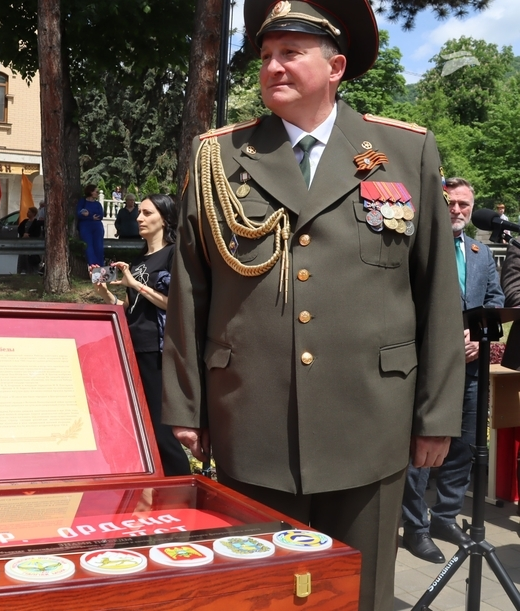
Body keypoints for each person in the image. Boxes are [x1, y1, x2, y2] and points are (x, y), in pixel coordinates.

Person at [161, 2, 465, 610]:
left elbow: (436, 290)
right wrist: (186, 404)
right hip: (253, 419)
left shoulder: (404, 151)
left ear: (336, 67)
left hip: (370, 420)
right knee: (261, 593)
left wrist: (436, 415)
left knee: (361, 593)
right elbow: (190, 286)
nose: (273, 66)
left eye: (291, 53)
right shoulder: (219, 156)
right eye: (266, 55)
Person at [401, 177, 504, 563]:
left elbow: (495, 300)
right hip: (430, 368)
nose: (457, 210)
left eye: (464, 204)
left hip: (472, 368)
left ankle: (445, 516)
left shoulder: (480, 252)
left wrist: (479, 337)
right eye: (451, 203)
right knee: (423, 448)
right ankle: (415, 526)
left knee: (464, 446)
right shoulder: (420, 247)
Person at [94, 194, 191, 477]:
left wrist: (136, 284)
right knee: (138, 425)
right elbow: (129, 307)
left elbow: (175, 305)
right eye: (139, 213)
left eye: (147, 213)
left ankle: (182, 486)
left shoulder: (173, 254)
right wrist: (106, 294)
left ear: (165, 218)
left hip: (156, 349)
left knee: (161, 432)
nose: (139, 218)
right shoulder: (138, 260)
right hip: (132, 346)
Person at [77, 184, 105, 267]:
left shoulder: (98, 204)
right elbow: (79, 213)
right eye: (96, 192)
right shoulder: (83, 202)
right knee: (89, 247)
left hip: (97, 227)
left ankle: (100, 267)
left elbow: (100, 215)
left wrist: (89, 214)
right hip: (85, 227)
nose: (97, 193)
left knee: (99, 247)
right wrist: (91, 216)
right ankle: (93, 266)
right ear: (91, 192)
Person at [17, 206, 43, 275]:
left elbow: (37, 233)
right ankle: (21, 271)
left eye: (29, 212)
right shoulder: (24, 221)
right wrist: (23, 234)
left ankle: (32, 272)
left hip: (32, 245)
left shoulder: (36, 223)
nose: (27, 213)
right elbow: (19, 229)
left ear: (33, 213)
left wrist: (29, 236)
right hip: (23, 244)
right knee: (23, 259)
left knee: (30, 259)